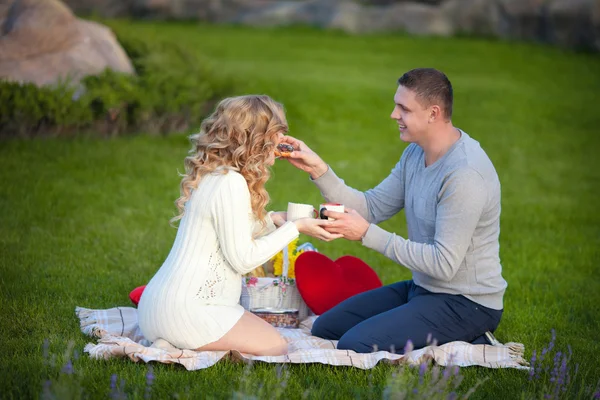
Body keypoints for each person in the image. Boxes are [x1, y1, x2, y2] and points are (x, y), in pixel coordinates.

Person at [281, 68, 508, 353]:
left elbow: (443, 263)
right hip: (423, 289)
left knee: (355, 343)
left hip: (467, 303)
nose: (393, 114)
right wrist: (319, 169)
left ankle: (470, 336)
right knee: (326, 327)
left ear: (433, 113)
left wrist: (366, 234)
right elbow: (372, 207)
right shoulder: (415, 153)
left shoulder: (465, 174)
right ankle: (424, 324)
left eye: (404, 108)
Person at [137, 95, 340, 356]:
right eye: (278, 133)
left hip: (156, 308)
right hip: (189, 310)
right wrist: (296, 228)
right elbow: (243, 260)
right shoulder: (230, 183)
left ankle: (171, 340)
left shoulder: (216, 174)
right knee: (276, 346)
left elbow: (230, 233)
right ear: (257, 139)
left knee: (263, 335)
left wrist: (274, 220)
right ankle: (180, 341)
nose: (282, 141)